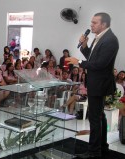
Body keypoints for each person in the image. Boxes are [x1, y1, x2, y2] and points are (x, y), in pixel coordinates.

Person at [66, 12, 119, 158]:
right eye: (91, 22)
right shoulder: (100, 38)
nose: (91, 25)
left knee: (95, 118)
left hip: (100, 83)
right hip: (96, 82)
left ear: (104, 24)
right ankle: (102, 147)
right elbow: (92, 57)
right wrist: (84, 45)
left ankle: (94, 152)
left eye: (95, 23)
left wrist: (79, 62)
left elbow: (100, 64)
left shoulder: (110, 40)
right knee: (99, 116)